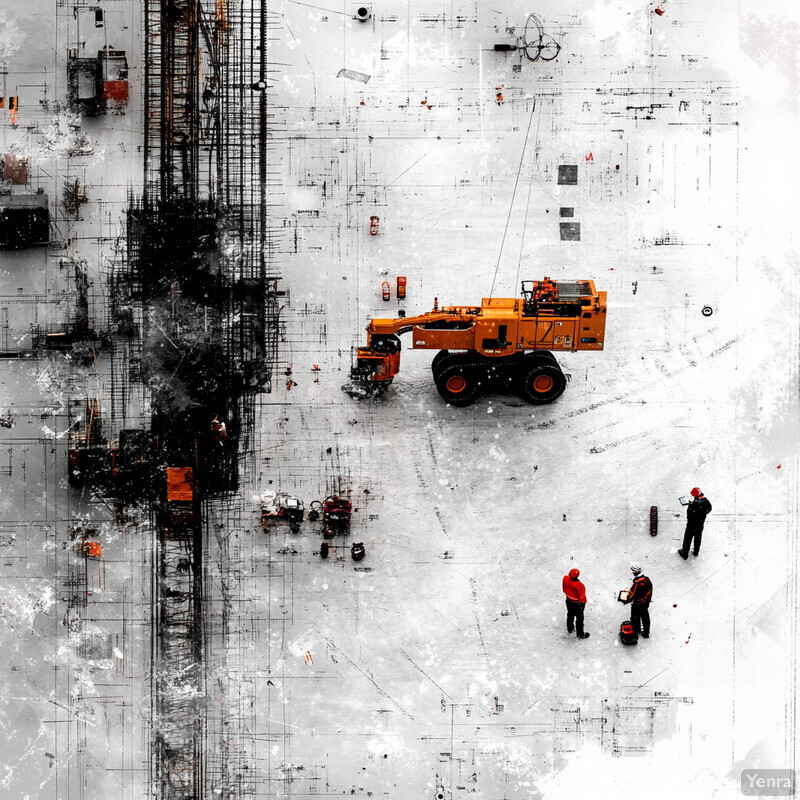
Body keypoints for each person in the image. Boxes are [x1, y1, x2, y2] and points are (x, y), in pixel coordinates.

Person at [678, 487, 712, 559]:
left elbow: (691, 513)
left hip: (692, 524)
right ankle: (696, 551)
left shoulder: (694, 505)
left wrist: (692, 504)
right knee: (698, 537)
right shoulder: (705, 500)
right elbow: (709, 508)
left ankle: (685, 552)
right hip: (700, 524)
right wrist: (704, 512)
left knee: (688, 538)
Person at [622, 563, 652, 638]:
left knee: (635, 618)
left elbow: (631, 596)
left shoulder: (637, 584)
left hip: (638, 604)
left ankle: (636, 631)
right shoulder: (647, 580)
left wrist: (624, 599)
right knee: (645, 617)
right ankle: (646, 632)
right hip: (646, 603)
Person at [562, 568, 590, 639]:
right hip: (577, 604)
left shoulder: (565, 579)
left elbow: (564, 589)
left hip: (568, 600)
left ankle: (570, 628)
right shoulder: (579, 585)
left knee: (570, 614)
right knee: (579, 618)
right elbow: (582, 597)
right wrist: (582, 604)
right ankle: (580, 634)